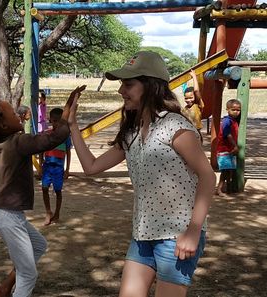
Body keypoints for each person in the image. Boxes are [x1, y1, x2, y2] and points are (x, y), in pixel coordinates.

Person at [68, 51, 215, 297]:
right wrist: (72, 125)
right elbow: (91, 167)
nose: (121, 91)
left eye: (128, 84)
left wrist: (194, 231)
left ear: (151, 86)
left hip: (176, 234)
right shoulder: (131, 131)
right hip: (142, 233)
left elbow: (208, 177)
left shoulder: (175, 126)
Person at [0, 86, 85, 297]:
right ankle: (12, 289)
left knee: (39, 246)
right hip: (8, 216)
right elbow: (55, 137)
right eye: (13, 113)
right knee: (28, 274)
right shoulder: (19, 141)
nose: (18, 114)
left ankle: (5, 287)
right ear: (5, 124)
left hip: (2, 212)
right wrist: (69, 109)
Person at [40, 108, 72, 226]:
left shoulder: (65, 136)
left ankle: (57, 213)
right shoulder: (47, 134)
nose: (55, 124)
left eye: (58, 121)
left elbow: (68, 152)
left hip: (58, 168)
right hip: (47, 166)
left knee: (58, 191)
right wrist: (40, 163)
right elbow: (41, 147)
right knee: (44, 188)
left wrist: (67, 169)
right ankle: (48, 212)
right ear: (50, 121)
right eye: (53, 121)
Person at [216, 99, 241, 196]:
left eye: (238, 110)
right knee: (225, 171)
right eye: (233, 110)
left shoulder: (233, 121)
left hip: (230, 150)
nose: (236, 112)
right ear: (227, 109)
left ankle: (228, 188)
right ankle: (219, 189)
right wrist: (235, 146)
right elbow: (227, 134)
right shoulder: (227, 121)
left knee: (230, 170)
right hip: (224, 149)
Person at [182, 70, 205, 143]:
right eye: (186, 98)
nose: (188, 100)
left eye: (191, 97)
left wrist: (194, 76)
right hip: (187, 134)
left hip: (196, 133)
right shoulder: (185, 109)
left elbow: (196, 91)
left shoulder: (197, 105)